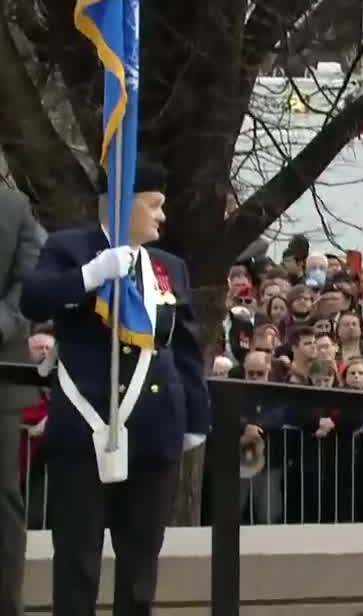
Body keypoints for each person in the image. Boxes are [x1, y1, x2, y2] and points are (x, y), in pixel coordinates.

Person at [19, 161, 209, 615]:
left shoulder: (168, 266)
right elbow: (35, 298)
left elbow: (184, 346)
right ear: (125, 203)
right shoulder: (72, 247)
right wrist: (91, 275)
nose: (162, 216)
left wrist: (195, 417)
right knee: (77, 563)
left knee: (140, 567)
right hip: (85, 426)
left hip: (153, 428)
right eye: (154, 205)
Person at [0, 186, 43, 616]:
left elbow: (28, 279)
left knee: (2, 503)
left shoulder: (14, 207)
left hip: (2, 378)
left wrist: (3, 321)